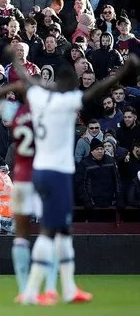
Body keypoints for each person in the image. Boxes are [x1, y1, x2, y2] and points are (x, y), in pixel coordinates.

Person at [10, 46, 139, 304]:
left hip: (39, 171)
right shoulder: (67, 101)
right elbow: (99, 89)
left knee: (64, 231)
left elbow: (27, 79)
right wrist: (125, 70)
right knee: (49, 231)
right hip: (58, 174)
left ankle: (68, 289)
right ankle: (31, 292)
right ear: (71, 86)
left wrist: (14, 58)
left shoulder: (38, 98)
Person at [0, 80, 56, 302]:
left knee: (20, 235)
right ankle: (50, 288)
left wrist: (12, 87)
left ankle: (25, 289)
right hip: (42, 179)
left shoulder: (16, 112)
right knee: (49, 234)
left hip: (22, 180)